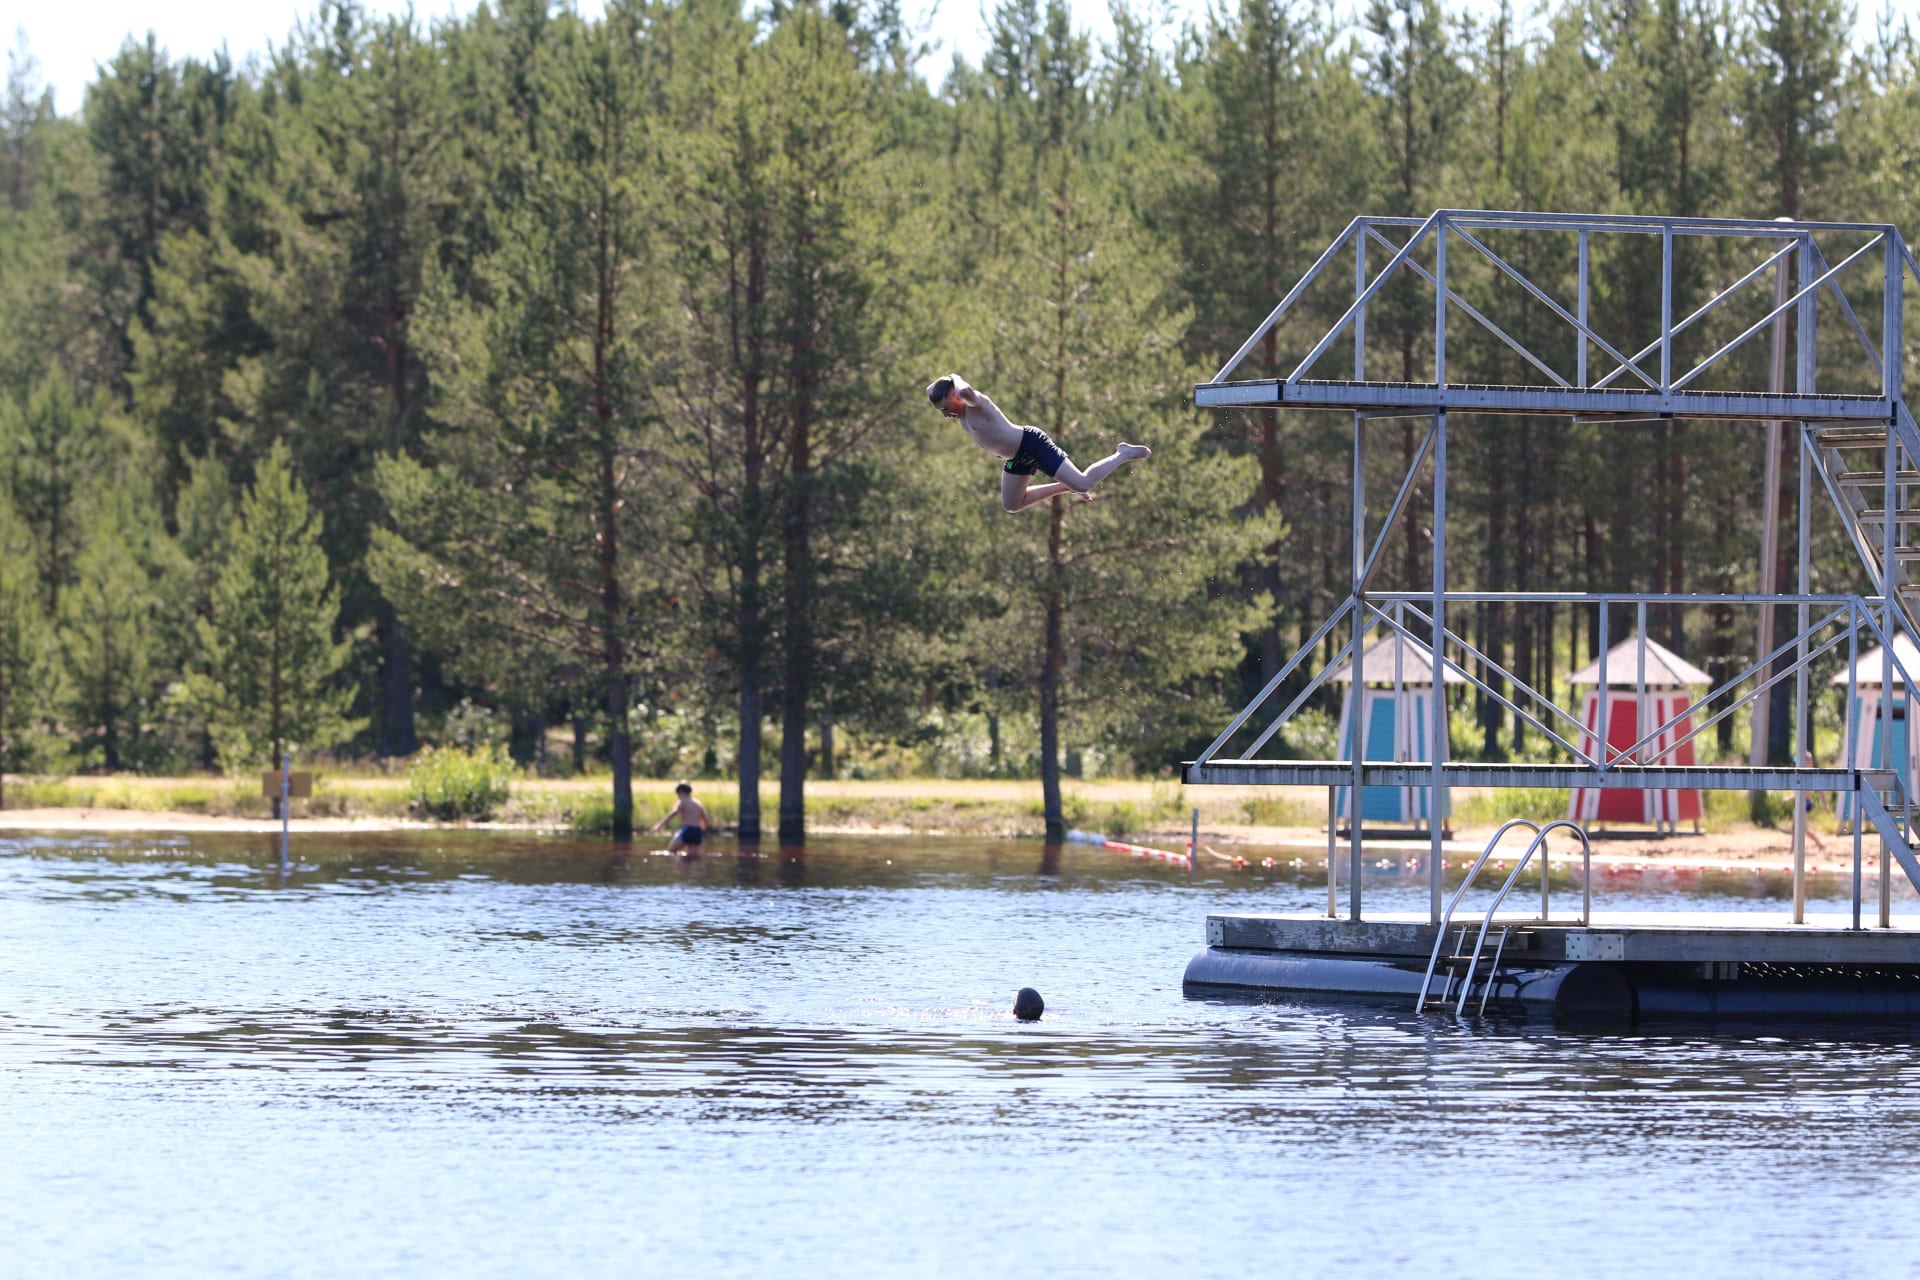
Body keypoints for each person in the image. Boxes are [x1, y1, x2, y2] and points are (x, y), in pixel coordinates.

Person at [927, 373, 1150, 513]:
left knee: (1083, 483)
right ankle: (1066, 486)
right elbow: (932, 390)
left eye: (946, 408)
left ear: (954, 394)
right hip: (1016, 458)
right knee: (1012, 505)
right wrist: (939, 387)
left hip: (1031, 443)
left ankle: (1123, 453)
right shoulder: (962, 417)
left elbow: (965, 389)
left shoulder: (977, 402)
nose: (945, 414)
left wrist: (954, 375)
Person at [650, 782, 709, 853]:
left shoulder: (682, 801)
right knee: (693, 856)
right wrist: (701, 831)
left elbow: (673, 813)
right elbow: (705, 819)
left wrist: (659, 825)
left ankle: (679, 862)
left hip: (687, 830)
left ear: (680, 792)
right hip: (697, 831)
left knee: (670, 851)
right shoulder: (697, 803)